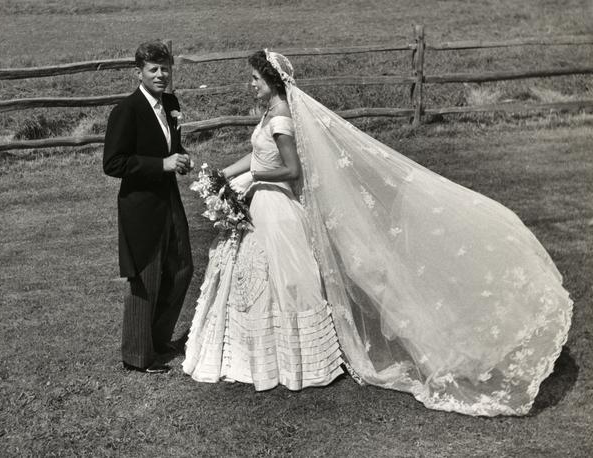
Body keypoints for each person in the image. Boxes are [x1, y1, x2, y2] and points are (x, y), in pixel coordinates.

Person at [183, 49, 573, 416]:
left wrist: (254, 176)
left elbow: (291, 170)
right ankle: (261, 355)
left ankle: (294, 360)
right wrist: (225, 176)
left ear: (272, 81)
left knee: (283, 280)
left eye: (255, 79)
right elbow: (258, 153)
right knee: (260, 277)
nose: (251, 84)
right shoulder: (269, 112)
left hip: (276, 205)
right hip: (261, 200)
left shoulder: (282, 116)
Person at [103, 41, 193, 374]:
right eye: (153, 69)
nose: (160, 75)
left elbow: (172, 146)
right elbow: (113, 163)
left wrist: (180, 158)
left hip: (169, 198)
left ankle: (157, 339)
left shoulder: (171, 102)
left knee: (183, 268)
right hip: (140, 207)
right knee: (147, 278)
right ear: (139, 72)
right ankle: (138, 357)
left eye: (165, 68)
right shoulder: (127, 110)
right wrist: (161, 165)